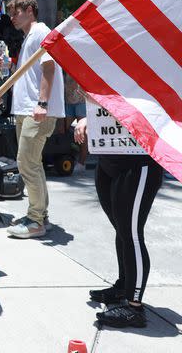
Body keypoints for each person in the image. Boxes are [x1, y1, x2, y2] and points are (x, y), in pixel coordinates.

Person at [74, 115, 162, 328]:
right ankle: (124, 286)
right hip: (108, 158)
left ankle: (134, 308)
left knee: (131, 233)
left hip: (139, 161)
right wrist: (88, 118)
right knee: (122, 229)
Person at [6, 0, 64, 239]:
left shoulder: (41, 32)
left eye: (15, 12)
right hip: (28, 109)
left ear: (29, 10)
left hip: (36, 110)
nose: (12, 18)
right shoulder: (32, 35)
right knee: (33, 163)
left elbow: (49, 68)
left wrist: (42, 103)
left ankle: (36, 220)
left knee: (26, 163)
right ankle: (41, 216)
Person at [64, 73, 87, 174]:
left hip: (81, 98)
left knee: (83, 132)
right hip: (68, 98)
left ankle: (81, 162)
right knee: (63, 129)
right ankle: (68, 156)